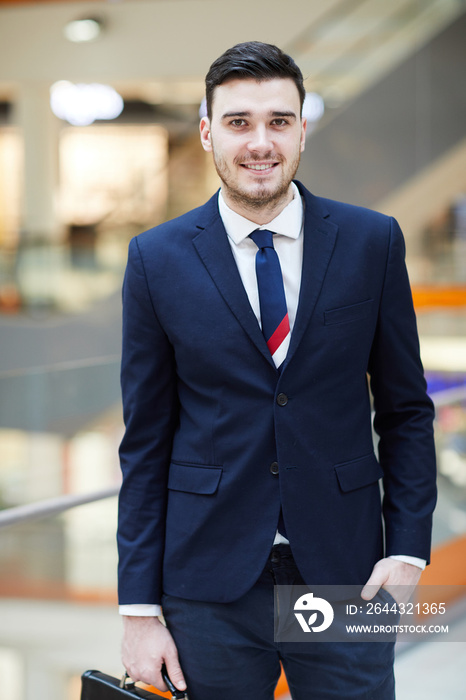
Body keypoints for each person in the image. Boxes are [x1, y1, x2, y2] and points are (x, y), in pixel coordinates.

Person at [117, 41, 436, 700]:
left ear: (302, 130)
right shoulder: (156, 259)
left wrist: (407, 552)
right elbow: (145, 442)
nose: (260, 141)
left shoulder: (372, 242)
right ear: (207, 132)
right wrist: (139, 611)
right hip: (207, 581)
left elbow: (405, 411)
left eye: (278, 121)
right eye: (238, 122)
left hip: (346, 570)